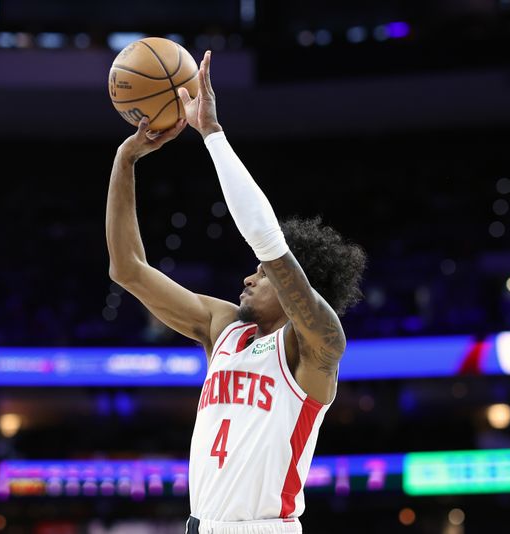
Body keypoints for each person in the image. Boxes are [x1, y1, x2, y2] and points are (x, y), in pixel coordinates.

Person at [106, 50, 366, 534]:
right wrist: (127, 160)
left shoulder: (317, 345)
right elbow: (128, 269)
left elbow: (267, 243)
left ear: (294, 284)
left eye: (263, 275)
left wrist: (211, 134)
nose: (249, 279)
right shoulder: (223, 328)